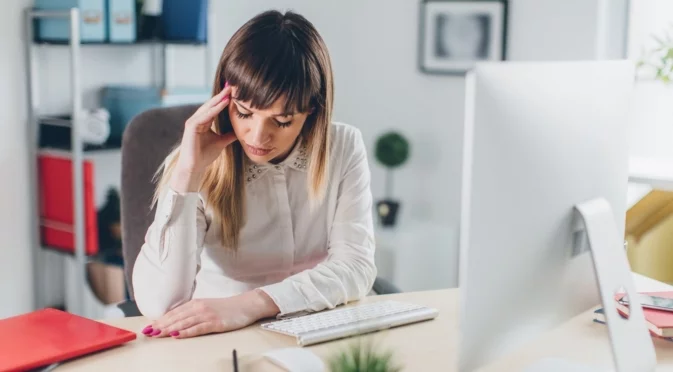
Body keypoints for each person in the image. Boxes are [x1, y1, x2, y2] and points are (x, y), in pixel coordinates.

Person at [132, 10, 377, 339]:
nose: (257, 137)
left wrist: (251, 304)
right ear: (224, 97)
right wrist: (189, 174)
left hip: (322, 328)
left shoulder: (343, 146)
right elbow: (160, 304)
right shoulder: (196, 161)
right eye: (244, 113)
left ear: (312, 111)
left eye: (282, 121)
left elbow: (356, 266)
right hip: (223, 339)